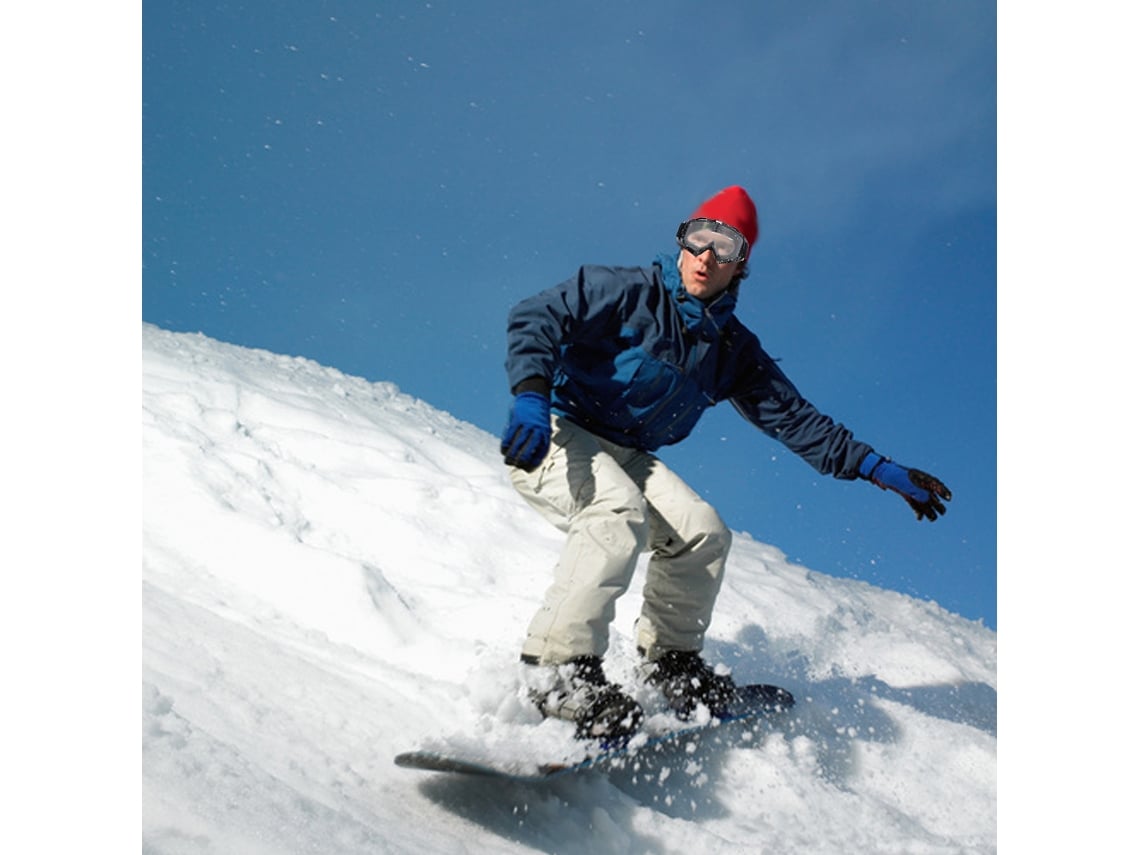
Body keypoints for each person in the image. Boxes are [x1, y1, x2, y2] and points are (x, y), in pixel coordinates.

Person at [499, 185, 951, 740]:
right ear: (682, 242)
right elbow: (538, 315)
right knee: (615, 516)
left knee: (702, 533)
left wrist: (879, 469)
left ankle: (672, 666)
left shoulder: (731, 350)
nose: (706, 256)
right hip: (552, 427)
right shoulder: (626, 291)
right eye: (697, 238)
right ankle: (556, 672)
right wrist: (530, 391)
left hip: (626, 453)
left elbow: (797, 419)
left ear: (742, 265)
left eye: (725, 245)